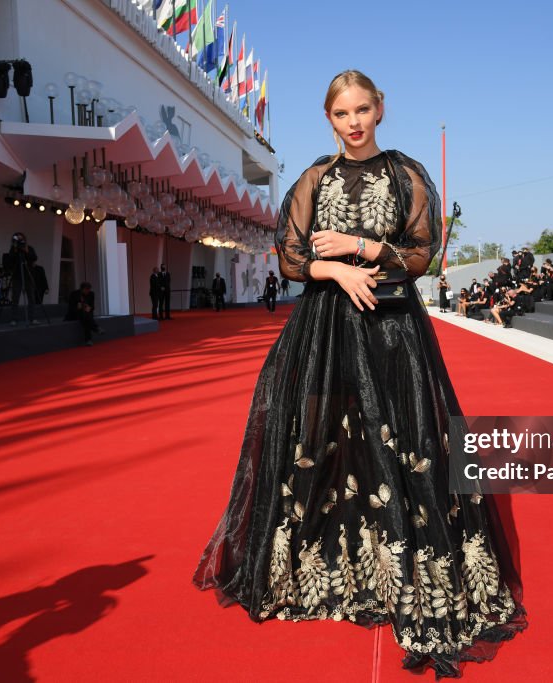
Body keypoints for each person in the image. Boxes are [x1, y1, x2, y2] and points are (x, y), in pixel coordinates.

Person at [193, 70, 526, 679]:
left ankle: (404, 575)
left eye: (363, 110)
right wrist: (335, 272)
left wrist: (362, 247)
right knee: (322, 443)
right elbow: (291, 256)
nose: (353, 122)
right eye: (342, 113)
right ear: (329, 118)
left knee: (406, 443)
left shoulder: (406, 175)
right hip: (325, 331)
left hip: (393, 329)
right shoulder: (313, 179)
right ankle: (331, 572)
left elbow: (424, 253)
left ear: (380, 110)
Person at [4, 232, 39, 324]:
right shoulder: (13, 249)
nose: (20, 241)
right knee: (15, 298)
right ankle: (14, 319)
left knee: (31, 298)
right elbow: (10, 260)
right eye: (17, 239)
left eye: (21, 239)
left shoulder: (29, 248)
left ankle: (32, 318)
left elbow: (34, 258)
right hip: (17, 276)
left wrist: (27, 251)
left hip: (28, 276)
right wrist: (15, 249)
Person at [65, 282, 100, 346]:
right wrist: (78, 308)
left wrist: (90, 308)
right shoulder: (74, 294)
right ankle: (95, 328)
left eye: (89, 289)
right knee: (86, 316)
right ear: (82, 289)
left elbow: (92, 306)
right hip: (75, 314)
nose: (88, 291)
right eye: (86, 289)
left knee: (86, 316)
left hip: (86, 314)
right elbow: (71, 308)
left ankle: (89, 339)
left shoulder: (91, 294)